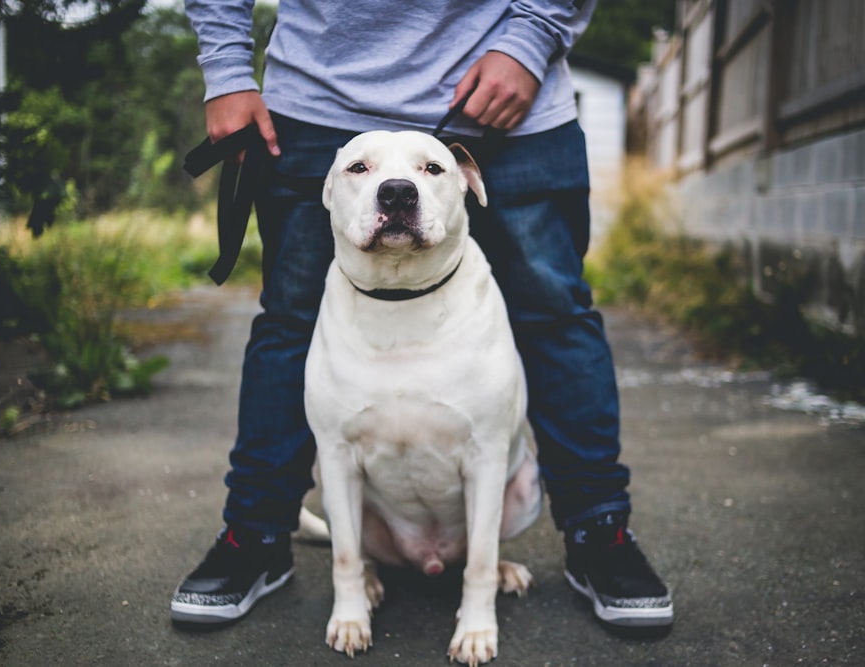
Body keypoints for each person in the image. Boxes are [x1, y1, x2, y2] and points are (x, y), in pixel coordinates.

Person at [171, 0, 674, 631]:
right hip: (319, 102)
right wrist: (226, 70)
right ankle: (256, 533)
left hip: (505, 88)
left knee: (555, 316)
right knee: (290, 321)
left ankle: (601, 531)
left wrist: (533, 35)